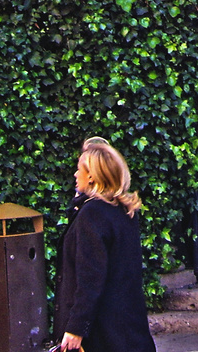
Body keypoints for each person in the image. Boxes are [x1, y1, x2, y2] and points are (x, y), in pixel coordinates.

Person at [54, 138, 157, 352]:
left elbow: (90, 278)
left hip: (103, 333)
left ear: (91, 175)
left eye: (78, 169)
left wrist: (75, 328)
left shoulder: (92, 213)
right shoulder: (122, 211)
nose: (75, 175)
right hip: (127, 328)